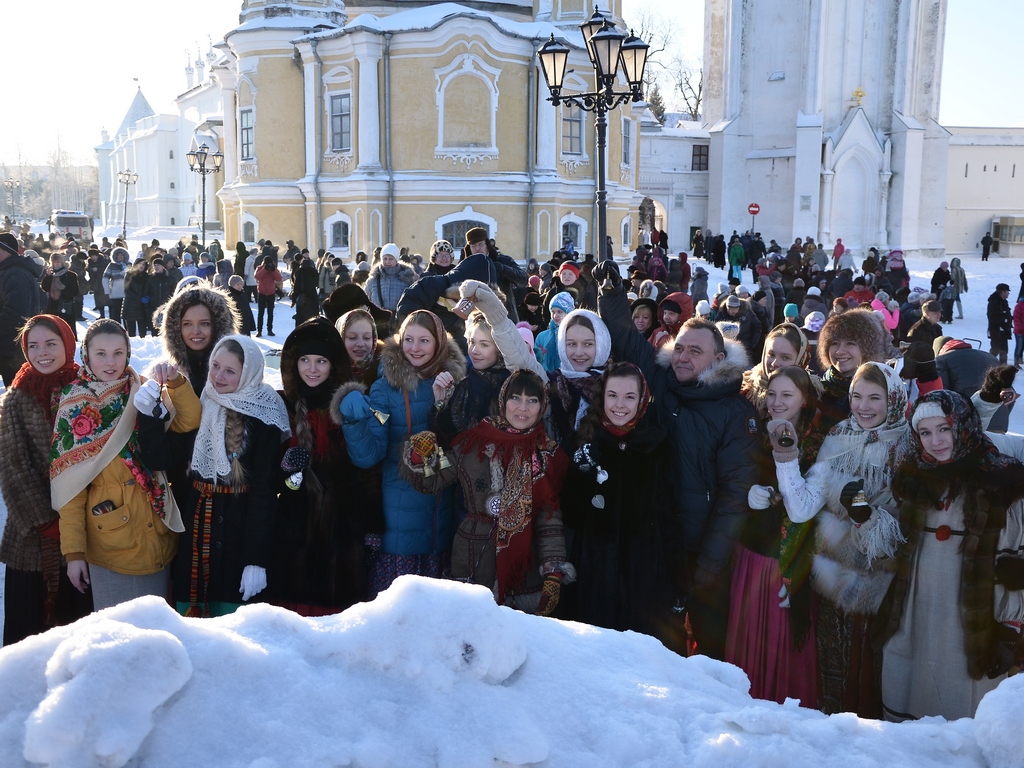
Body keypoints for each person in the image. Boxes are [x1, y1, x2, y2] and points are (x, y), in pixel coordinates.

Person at [595, 261, 759, 661]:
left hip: (701, 551)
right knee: (659, 643)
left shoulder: (735, 413)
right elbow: (627, 339)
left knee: (707, 648)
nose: (683, 357)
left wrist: (708, 564)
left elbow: (735, 494)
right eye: (680, 348)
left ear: (718, 358)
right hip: (658, 539)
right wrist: (613, 295)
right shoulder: (663, 381)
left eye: (695, 352)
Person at [771, 362, 910, 717]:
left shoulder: (909, 445)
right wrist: (786, 458)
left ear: (893, 399)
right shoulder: (838, 438)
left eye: (874, 398)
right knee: (837, 674)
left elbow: (913, 520)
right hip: (837, 582)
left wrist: (864, 512)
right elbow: (802, 509)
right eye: (857, 396)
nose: (863, 406)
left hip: (892, 584)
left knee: (881, 673)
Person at [879, 390, 1024, 721]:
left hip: (971, 621)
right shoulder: (913, 478)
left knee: (962, 720)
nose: (935, 441)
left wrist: (1010, 628)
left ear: (963, 426)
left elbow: (1016, 563)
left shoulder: (1001, 481)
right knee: (909, 709)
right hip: (915, 612)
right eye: (925, 433)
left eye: (944, 429)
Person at [51, 320, 200, 610]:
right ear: (87, 355)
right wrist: (74, 554)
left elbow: (189, 420)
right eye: (101, 354)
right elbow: (70, 488)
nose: (111, 362)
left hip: (156, 531)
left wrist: (177, 385)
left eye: (118, 353)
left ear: (129, 353)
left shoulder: (142, 389)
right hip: (111, 541)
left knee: (156, 631)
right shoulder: (74, 404)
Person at [402, 370, 570, 615]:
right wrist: (420, 456)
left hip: (524, 569)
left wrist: (553, 570)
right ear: (503, 401)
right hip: (471, 557)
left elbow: (549, 518)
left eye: (532, 400)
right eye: (516, 398)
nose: (523, 408)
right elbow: (432, 482)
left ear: (542, 405)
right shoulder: (473, 442)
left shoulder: (547, 455)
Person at [158, 335, 290, 617]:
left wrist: (256, 559)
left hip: (239, 529)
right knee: (192, 620)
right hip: (196, 527)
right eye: (215, 366)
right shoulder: (199, 400)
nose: (218, 376)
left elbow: (265, 490)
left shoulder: (264, 413)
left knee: (233, 621)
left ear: (249, 373)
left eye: (230, 371)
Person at [338, 310, 467, 597]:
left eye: (424, 340)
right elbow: (369, 455)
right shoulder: (385, 389)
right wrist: (355, 422)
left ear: (439, 344)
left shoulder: (457, 382)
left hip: (442, 520)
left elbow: (463, 446)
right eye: (408, 339)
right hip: (400, 523)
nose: (415, 348)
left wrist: (443, 406)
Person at [730, 366, 826, 706]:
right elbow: (735, 477)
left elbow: (803, 508)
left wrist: (785, 454)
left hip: (789, 564)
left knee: (782, 641)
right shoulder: (754, 432)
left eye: (787, 395)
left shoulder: (817, 446)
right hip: (752, 556)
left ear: (805, 399)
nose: (776, 402)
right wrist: (749, 493)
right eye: (772, 394)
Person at [270, 318, 379, 615]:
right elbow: (271, 478)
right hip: (294, 533)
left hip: (342, 533)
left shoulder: (348, 406)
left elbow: (366, 468)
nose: (313, 368)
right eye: (305, 360)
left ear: (333, 365)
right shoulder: (283, 407)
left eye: (321, 360)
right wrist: (286, 472)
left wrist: (371, 527)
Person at [562, 362, 677, 637]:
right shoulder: (583, 441)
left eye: (629, 397)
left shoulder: (657, 444)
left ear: (643, 399)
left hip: (642, 576)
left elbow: (669, 515)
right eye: (613, 395)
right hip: (594, 572)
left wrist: (675, 581)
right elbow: (571, 515)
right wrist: (581, 474)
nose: (620, 405)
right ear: (602, 397)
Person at [0, 315, 92, 645]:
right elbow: (13, 468)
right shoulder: (17, 398)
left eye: (51, 344)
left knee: (77, 628)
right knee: (30, 631)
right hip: (33, 539)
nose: (42, 353)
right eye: (33, 346)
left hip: (84, 529)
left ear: (67, 345)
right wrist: (47, 522)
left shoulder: (85, 388)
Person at [546, 308, 612, 452]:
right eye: (571, 344)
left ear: (601, 344)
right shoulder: (552, 381)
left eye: (588, 344)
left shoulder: (614, 382)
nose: (579, 352)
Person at [816, 310, 888, 428]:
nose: (840, 351)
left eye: (850, 343)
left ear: (867, 350)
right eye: (834, 343)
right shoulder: (816, 392)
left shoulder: (885, 389)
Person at [740, 324, 814, 418]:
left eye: (785, 357)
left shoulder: (812, 396)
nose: (775, 363)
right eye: (771, 355)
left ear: (800, 361)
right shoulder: (744, 391)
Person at [0, 232, 43, 387]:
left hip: (13, 348)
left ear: (7, 251)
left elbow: (14, 313)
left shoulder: (14, 274)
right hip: (12, 346)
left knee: (19, 394)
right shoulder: (9, 271)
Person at [364, 243, 417, 314]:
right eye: (385, 258)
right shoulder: (373, 279)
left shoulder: (407, 278)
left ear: (396, 259)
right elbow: (364, 302)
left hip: (399, 321)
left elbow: (413, 302)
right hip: (377, 321)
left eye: (391, 259)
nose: (387, 262)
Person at [534, 291, 574, 372]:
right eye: (553, 312)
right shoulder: (542, 336)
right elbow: (538, 360)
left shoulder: (574, 335)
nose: (555, 316)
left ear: (569, 313)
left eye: (560, 312)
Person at [40, 252, 80, 334]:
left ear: (62, 262)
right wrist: (48, 276)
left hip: (65, 306)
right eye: (54, 262)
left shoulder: (71, 275)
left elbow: (75, 291)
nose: (56, 264)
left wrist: (63, 290)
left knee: (66, 330)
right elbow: (45, 288)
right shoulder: (51, 275)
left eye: (58, 262)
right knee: (53, 330)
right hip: (53, 305)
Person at [255, 254, 284, 337]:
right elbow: (257, 276)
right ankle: (259, 330)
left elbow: (279, 279)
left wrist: (273, 270)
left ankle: (270, 330)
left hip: (271, 293)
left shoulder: (274, 269)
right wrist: (264, 269)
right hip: (262, 293)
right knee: (260, 313)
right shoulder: (260, 268)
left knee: (270, 313)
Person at [987, 283, 1012, 364]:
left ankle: (1003, 367)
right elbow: (993, 316)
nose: (1008, 293)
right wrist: (1004, 320)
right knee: (995, 350)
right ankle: (988, 364)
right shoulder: (994, 302)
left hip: (1004, 331)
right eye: (1007, 291)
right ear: (1002, 292)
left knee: (1004, 350)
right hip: (996, 331)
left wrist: (1010, 319)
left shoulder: (1004, 302)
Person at [103, 247, 129, 326]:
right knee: (116, 313)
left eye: (122, 255)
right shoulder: (111, 265)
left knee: (126, 313)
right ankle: (117, 328)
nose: (120, 257)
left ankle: (127, 329)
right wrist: (107, 291)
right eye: (118, 255)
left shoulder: (128, 265)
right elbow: (105, 278)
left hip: (127, 293)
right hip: (115, 293)